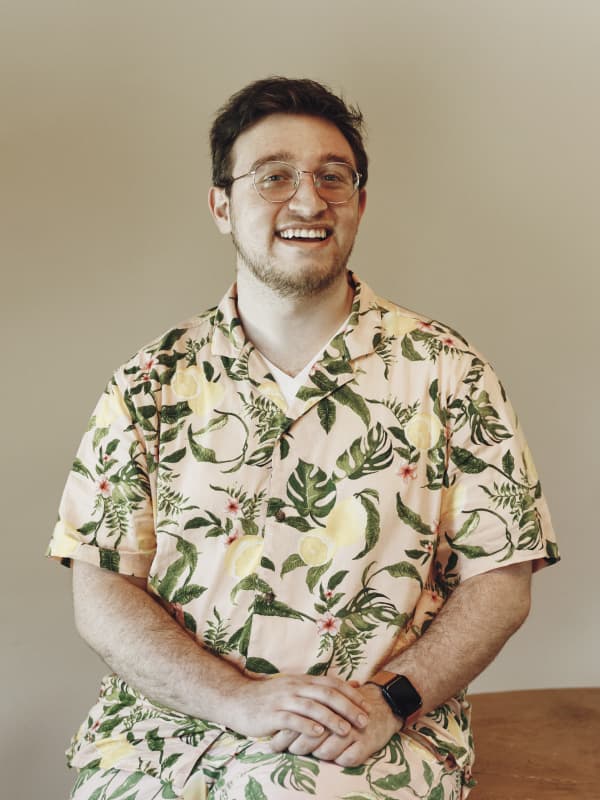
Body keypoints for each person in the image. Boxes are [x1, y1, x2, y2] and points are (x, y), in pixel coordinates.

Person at [48, 77, 559, 800]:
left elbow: (502, 581)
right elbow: (101, 585)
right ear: (221, 205)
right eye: (274, 176)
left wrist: (392, 702)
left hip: (367, 737)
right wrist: (232, 699)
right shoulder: (149, 381)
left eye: (333, 177)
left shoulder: (449, 374)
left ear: (360, 201)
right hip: (165, 740)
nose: (309, 200)